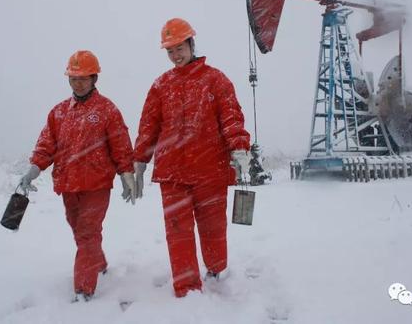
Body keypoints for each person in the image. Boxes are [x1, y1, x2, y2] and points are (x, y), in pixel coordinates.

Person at [133, 18, 251, 297]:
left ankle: (217, 268)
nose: (175, 54)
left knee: (213, 226)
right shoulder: (161, 85)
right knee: (178, 232)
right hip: (173, 173)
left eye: (179, 47)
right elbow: (148, 126)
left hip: (211, 168)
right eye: (170, 50)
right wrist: (139, 162)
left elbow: (231, 116)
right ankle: (187, 288)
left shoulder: (215, 79)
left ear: (191, 44)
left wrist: (239, 147)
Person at [18, 50, 137, 302]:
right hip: (68, 184)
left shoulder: (107, 110)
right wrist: (33, 170)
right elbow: (46, 146)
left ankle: (84, 289)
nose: (78, 82)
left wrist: (127, 174)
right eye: (73, 78)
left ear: (94, 78)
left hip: (97, 185)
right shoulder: (59, 112)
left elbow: (121, 145)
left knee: (86, 232)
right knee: (79, 230)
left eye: (83, 77)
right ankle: (98, 262)